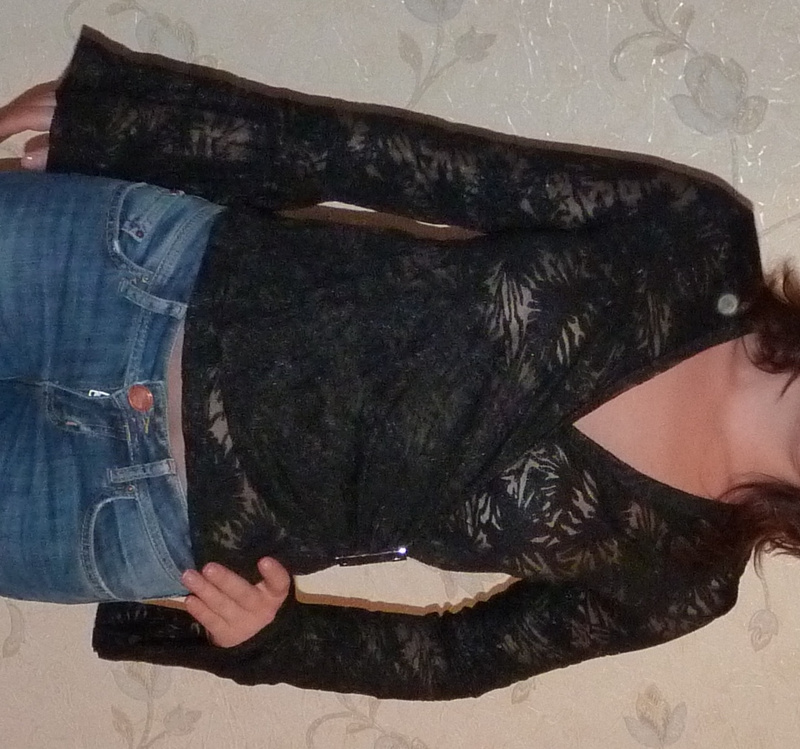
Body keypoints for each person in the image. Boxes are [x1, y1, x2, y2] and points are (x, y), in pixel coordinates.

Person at [0, 27, 799, 701]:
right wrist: (127, 125)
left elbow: (458, 659)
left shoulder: (686, 577)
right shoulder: (700, 241)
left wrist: (281, 638)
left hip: (127, 514)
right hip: (130, 278)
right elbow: (407, 162)